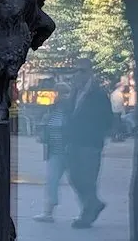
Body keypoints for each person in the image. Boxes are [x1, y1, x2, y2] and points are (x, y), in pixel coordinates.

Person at [65, 58, 113, 229]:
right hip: (74, 142)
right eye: (77, 70)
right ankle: (93, 204)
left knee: (87, 179)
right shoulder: (74, 93)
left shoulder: (98, 93)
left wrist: (95, 132)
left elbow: (107, 118)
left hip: (90, 144)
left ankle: (87, 214)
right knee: (74, 177)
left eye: (83, 71)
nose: (78, 74)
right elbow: (69, 116)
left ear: (90, 73)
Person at [33, 81, 74, 223]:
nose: (60, 96)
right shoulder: (51, 110)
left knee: (78, 182)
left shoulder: (72, 111)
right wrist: (42, 133)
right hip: (55, 153)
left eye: (64, 92)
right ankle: (48, 212)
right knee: (51, 181)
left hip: (70, 153)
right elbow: (45, 129)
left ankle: (87, 210)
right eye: (58, 92)